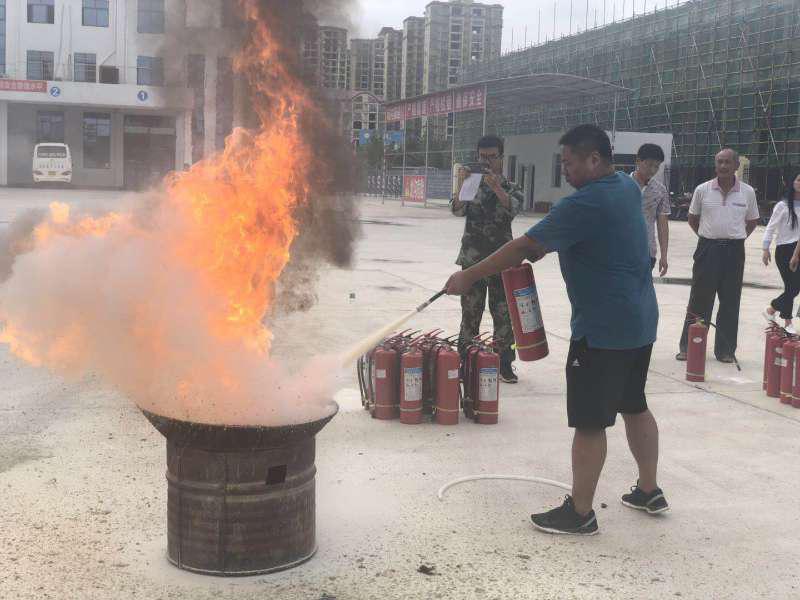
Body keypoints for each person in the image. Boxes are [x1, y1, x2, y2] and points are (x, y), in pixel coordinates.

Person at [445, 125, 667, 535]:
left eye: (568, 163)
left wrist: (469, 275)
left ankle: (580, 513)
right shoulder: (624, 186)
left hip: (602, 330)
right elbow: (573, 239)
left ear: (594, 160)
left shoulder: (584, 203)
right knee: (634, 404)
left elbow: (523, 246)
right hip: (640, 321)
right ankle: (649, 490)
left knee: (590, 421)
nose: (563, 170)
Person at [451, 135, 523, 383]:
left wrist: (497, 187)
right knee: (470, 313)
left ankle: (504, 363)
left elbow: (513, 209)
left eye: (492, 157)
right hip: (472, 259)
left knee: (504, 315)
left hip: (503, 261)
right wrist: (462, 186)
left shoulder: (511, 187)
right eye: (483, 157)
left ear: (501, 157)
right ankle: (465, 361)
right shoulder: (471, 184)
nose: (487, 162)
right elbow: (457, 209)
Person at [676, 149, 759, 363]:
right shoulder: (702, 190)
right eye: (719, 162)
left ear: (736, 166)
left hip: (734, 251)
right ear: (715, 165)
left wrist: (735, 238)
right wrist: (709, 238)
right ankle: (688, 347)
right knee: (699, 299)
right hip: (708, 249)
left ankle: (725, 350)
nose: (723, 166)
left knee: (730, 300)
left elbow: (752, 222)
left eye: (727, 162)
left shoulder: (747, 192)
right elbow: (693, 218)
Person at [762, 173, 800, 334]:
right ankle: (787, 321)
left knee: (794, 287)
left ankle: (771, 309)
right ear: (793, 182)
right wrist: (765, 248)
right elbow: (770, 227)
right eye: (799, 180)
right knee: (792, 287)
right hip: (785, 250)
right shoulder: (782, 206)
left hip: (798, 249)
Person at [631, 144, 670, 276]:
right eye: (649, 165)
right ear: (638, 161)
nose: (652, 170)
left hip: (647, 251)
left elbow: (662, 224)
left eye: (657, 166)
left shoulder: (660, 190)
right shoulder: (622, 184)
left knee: (641, 287)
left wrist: (664, 255)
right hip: (621, 249)